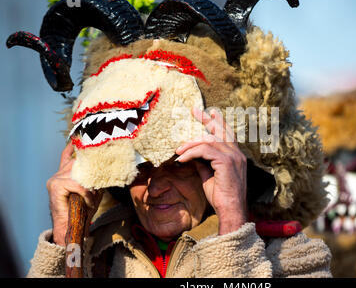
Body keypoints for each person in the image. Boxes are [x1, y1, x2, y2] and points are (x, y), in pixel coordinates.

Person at [28, 108, 332, 278]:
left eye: (178, 166)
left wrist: (231, 219)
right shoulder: (94, 255)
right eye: (141, 170)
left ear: (215, 170)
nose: (156, 189)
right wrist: (67, 239)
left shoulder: (289, 256)